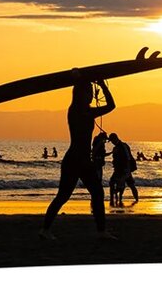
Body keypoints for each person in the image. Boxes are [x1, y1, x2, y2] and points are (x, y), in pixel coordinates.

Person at [40, 78, 116, 240]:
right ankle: (45, 230)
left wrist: (102, 86)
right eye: (87, 91)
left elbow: (111, 106)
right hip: (74, 159)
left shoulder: (88, 111)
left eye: (90, 91)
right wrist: (79, 77)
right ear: (79, 93)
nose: (89, 95)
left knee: (97, 193)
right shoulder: (75, 110)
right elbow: (108, 106)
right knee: (63, 196)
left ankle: (101, 231)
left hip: (84, 160)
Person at [108, 132, 138, 206]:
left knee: (130, 185)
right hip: (119, 169)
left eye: (112, 141)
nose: (111, 142)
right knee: (114, 183)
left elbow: (128, 158)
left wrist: (126, 170)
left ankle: (137, 200)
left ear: (115, 139)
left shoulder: (123, 146)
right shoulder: (116, 148)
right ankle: (114, 199)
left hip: (124, 169)